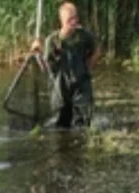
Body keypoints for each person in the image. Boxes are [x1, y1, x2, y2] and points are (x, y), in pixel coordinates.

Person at [31, 1, 100, 129]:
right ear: (62, 21)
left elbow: (96, 50)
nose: (74, 22)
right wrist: (38, 53)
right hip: (60, 89)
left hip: (81, 86)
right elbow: (45, 68)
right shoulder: (52, 40)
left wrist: (88, 67)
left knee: (83, 125)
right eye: (70, 20)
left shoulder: (83, 36)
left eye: (75, 18)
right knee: (61, 126)